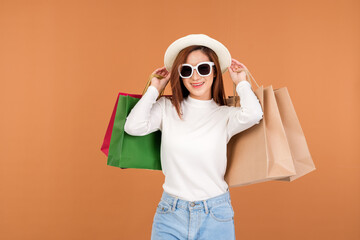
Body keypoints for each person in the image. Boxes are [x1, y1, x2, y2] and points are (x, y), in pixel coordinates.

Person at [124, 34, 263, 240]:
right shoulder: (167, 109)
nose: (195, 77)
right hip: (171, 213)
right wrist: (155, 88)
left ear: (214, 71)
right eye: (187, 70)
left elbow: (254, 114)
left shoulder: (225, 115)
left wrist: (241, 83)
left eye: (203, 68)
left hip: (215, 214)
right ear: (179, 75)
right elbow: (132, 127)